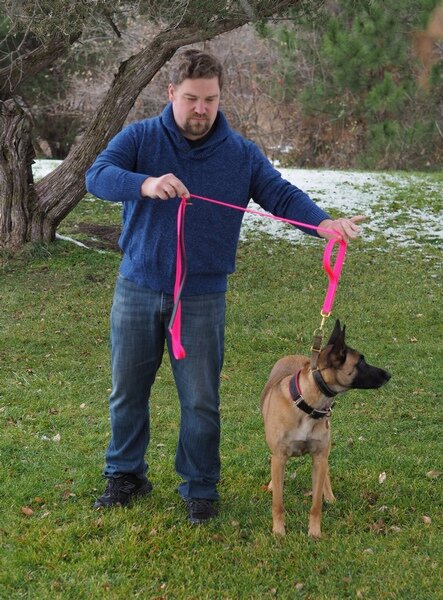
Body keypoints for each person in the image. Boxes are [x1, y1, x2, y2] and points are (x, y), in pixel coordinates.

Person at [85, 49, 364, 525]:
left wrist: (320, 223)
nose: (200, 109)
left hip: (201, 295)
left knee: (200, 398)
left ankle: (199, 488)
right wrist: (145, 183)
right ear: (171, 93)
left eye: (209, 100)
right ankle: (125, 475)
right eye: (191, 98)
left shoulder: (239, 154)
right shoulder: (140, 138)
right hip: (138, 286)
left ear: (219, 97)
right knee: (128, 390)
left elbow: (280, 195)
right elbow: (98, 176)